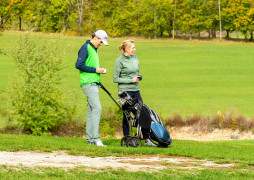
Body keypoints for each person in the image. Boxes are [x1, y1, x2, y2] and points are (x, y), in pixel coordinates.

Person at [113, 40, 156, 146]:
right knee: (127, 115)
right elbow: (115, 78)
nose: (135, 49)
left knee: (142, 113)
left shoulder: (135, 57)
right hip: (124, 91)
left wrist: (139, 77)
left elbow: (136, 72)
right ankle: (128, 139)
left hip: (136, 90)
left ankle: (147, 139)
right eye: (133, 47)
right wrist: (130, 80)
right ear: (127, 49)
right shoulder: (119, 61)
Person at [75, 30, 108, 147]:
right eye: (101, 41)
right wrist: (95, 70)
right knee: (97, 108)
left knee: (91, 111)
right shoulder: (85, 48)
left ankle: (90, 140)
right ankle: (95, 138)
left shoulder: (93, 49)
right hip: (88, 83)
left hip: (93, 83)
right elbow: (78, 65)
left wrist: (98, 71)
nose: (101, 44)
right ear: (95, 37)